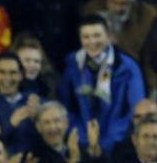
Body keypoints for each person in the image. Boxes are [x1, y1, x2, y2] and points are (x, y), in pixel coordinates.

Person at [59, 15, 146, 152]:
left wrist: (109, 141)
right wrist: (84, 138)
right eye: (86, 37)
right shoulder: (72, 65)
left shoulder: (127, 67)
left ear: (108, 36)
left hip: (118, 145)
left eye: (97, 35)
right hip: (81, 144)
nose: (92, 41)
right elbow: (65, 107)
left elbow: (136, 110)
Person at [83, 0, 157, 72]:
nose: (117, 8)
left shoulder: (147, 15)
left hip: (132, 70)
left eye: (123, 4)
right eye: (113, 2)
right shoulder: (92, 10)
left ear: (132, 1)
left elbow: (149, 56)